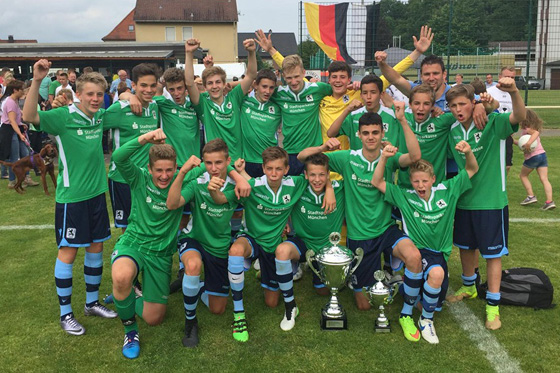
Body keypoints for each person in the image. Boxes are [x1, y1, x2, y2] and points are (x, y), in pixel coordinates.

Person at [298, 107, 425, 342]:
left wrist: (402, 121)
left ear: (381, 133)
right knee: (364, 305)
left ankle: (406, 313)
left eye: (375, 132)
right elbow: (303, 158)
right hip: (360, 236)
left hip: (386, 228)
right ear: (358, 135)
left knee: (414, 258)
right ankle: (385, 280)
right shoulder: (347, 158)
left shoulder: (390, 157)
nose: (370, 137)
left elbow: (415, 157)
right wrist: (324, 150)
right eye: (365, 132)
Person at [23, 59, 117, 336]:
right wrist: (37, 80)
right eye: (90, 94)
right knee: (69, 251)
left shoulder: (100, 116)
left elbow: (125, 106)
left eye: (100, 94)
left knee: (97, 248)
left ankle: (91, 304)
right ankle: (66, 314)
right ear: (79, 93)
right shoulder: (63, 116)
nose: (96, 99)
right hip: (72, 198)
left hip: (97, 195)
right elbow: (30, 116)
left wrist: (131, 96)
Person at [210, 147, 332, 341]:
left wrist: (330, 188)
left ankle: (271, 276)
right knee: (235, 250)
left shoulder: (296, 183)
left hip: (273, 245)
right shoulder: (251, 185)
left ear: (286, 169)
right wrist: (214, 191)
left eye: (278, 169)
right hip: (251, 238)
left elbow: (318, 177)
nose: (273, 174)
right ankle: (239, 314)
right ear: (263, 168)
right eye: (269, 169)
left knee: (271, 302)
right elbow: (222, 199)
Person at [372, 140, 478, 344]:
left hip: (440, 254)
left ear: (433, 179)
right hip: (418, 252)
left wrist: (469, 152)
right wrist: (384, 158)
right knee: (436, 276)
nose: (420, 186)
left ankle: (402, 286)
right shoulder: (405, 196)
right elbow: (377, 182)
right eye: (416, 181)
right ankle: (422, 320)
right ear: (410, 182)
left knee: (434, 302)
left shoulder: (448, 190)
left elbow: (472, 169)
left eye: (424, 181)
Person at [109, 129, 200, 359]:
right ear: (149, 169)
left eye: (169, 169)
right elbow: (118, 157)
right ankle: (130, 332)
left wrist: (237, 175)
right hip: (135, 243)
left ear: (176, 167)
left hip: (161, 253)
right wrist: (145, 138)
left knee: (154, 318)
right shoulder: (139, 177)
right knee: (121, 275)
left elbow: (214, 164)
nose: (164, 175)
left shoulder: (185, 178)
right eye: (158, 170)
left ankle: (126, 295)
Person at [445, 78, 526, 330]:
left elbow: (519, 116)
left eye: (463, 104)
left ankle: (493, 307)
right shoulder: (453, 131)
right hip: (465, 200)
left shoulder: (494, 122)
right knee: (466, 247)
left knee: (493, 255)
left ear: (473, 103)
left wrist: (513, 91)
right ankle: (469, 286)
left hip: (491, 202)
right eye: (453, 106)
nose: (458, 110)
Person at [166, 138, 240, 348]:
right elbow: (172, 204)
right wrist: (182, 173)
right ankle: (191, 322)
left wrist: (233, 179)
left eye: (218, 162)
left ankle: (195, 286)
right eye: (208, 163)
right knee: (193, 265)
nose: (213, 168)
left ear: (228, 161)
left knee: (218, 308)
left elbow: (221, 200)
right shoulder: (198, 182)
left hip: (218, 245)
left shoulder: (237, 185)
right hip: (194, 239)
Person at [104, 63, 160, 231]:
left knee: (147, 224)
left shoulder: (155, 106)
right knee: (128, 228)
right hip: (123, 179)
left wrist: (127, 95)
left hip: (146, 178)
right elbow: (93, 124)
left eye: (152, 85)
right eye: (143, 85)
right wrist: (127, 96)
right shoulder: (120, 109)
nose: (148, 90)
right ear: (133, 85)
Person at [185, 38, 257, 165]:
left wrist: (251, 52)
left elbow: (251, 75)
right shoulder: (203, 103)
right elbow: (190, 83)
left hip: (236, 162)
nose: (214, 86)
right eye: (210, 83)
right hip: (215, 164)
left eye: (218, 82)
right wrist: (189, 54)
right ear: (205, 86)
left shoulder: (234, 97)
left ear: (224, 84)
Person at [286, 152, 345, 295]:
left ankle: (318, 266)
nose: (317, 180)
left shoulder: (340, 188)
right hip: (304, 243)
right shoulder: (298, 186)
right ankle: (295, 266)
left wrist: (329, 187)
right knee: (282, 251)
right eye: (312, 175)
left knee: (323, 291)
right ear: (305, 174)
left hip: (328, 248)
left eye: (322, 175)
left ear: (328, 175)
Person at [327, 74, 402, 150]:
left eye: (373, 92)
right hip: (357, 161)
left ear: (381, 94)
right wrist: (347, 110)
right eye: (365, 93)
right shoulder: (354, 115)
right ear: (361, 95)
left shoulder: (393, 115)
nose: (368, 97)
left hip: (387, 160)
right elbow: (330, 133)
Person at [240, 69, 282, 178]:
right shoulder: (243, 101)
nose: (267, 91)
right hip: (247, 160)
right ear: (255, 85)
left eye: (271, 87)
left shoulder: (278, 105)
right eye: (264, 86)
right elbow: (226, 88)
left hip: (270, 161)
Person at [0, 80, 39, 188]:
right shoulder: (10, 102)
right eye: (21, 89)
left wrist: (21, 124)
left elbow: (17, 119)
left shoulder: (15, 100)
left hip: (17, 129)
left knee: (25, 154)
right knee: (14, 157)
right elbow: (11, 121)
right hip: (10, 131)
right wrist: (20, 134)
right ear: (15, 90)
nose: (23, 91)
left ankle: (26, 178)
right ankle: (12, 181)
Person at [516, 109, 555, 210]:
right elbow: (522, 144)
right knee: (544, 179)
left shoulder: (528, 130)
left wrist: (529, 143)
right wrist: (513, 141)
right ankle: (549, 201)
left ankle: (531, 196)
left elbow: (536, 133)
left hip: (533, 157)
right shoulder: (530, 129)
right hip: (542, 155)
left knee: (523, 175)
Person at [487, 66, 517, 174]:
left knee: (507, 165)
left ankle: (502, 185)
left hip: (507, 134)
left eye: (512, 77)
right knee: (491, 163)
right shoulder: (490, 91)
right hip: (492, 133)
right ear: (500, 77)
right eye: (506, 76)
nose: (509, 79)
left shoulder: (514, 93)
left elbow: (516, 113)